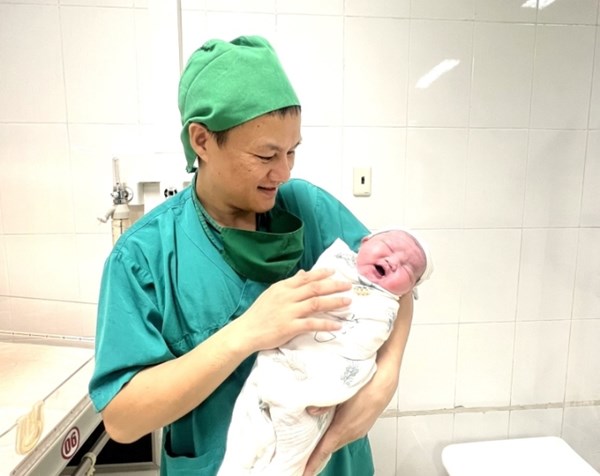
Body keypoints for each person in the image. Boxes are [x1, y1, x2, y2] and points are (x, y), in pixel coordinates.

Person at [88, 35, 415, 476]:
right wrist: (247, 332)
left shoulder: (307, 208)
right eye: (266, 155)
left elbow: (397, 285)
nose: (284, 172)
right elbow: (123, 419)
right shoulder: (144, 257)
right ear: (202, 140)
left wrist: (386, 378)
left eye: (292, 151)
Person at [218, 230, 433, 475]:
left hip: (313, 400)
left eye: (407, 268)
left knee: (292, 455)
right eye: (389, 247)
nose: (393, 261)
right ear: (363, 242)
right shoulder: (338, 264)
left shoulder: (383, 306)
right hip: (276, 368)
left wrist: (383, 377)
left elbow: (364, 345)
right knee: (244, 438)